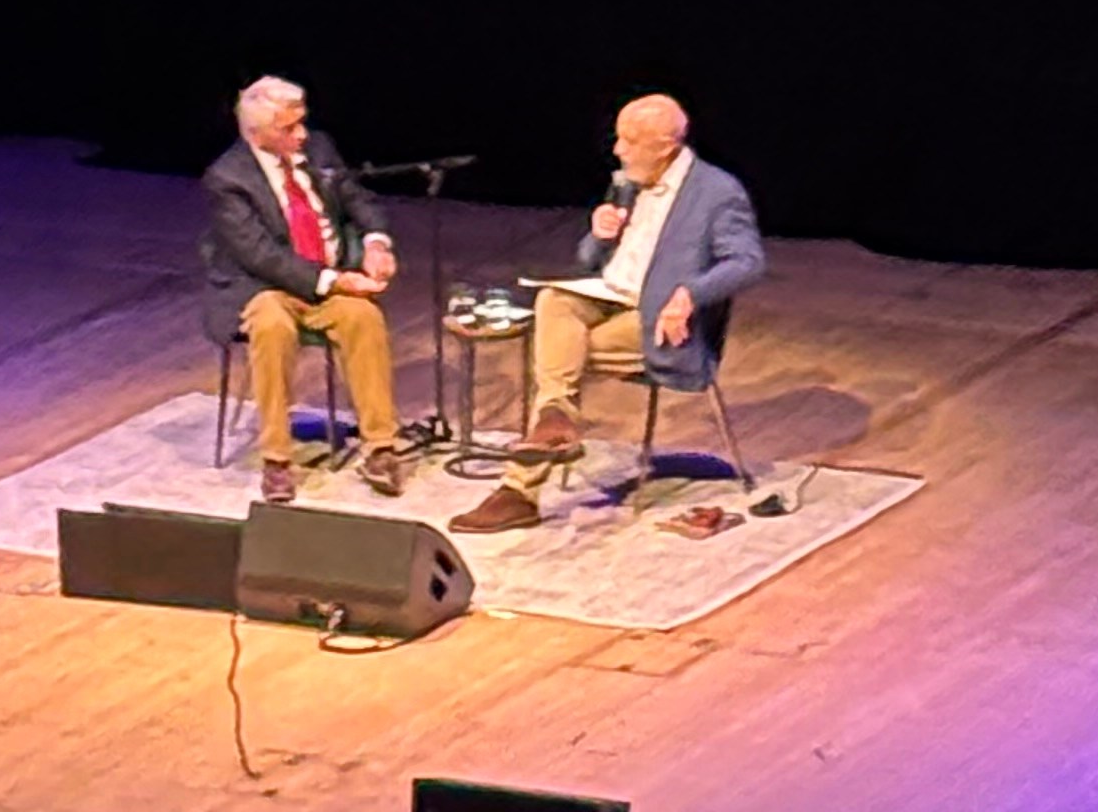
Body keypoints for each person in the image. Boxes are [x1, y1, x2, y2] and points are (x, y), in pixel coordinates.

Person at [450, 94, 764, 534]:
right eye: (618, 138)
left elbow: (747, 261)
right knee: (552, 301)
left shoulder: (717, 193)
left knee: (560, 358)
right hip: (608, 296)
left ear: (666, 146)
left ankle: (521, 487)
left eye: (630, 141)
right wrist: (599, 234)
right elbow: (588, 259)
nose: (618, 150)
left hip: (661, 319)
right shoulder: (629, 183)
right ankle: (555, 420)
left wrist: (690, 295)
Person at [199, 76, 408, 503]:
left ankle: (380, 447)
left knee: (364, 317)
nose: (302, 135)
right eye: (289, 128)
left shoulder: (319, 149)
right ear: (257, 133)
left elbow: (357, 199)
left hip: (326, 284)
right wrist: (335, 280)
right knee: (272, 326)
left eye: (302, 123)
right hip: (264, 287)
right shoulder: (227, 178)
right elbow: (260, 255)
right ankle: (277, 459)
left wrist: (376, 243)